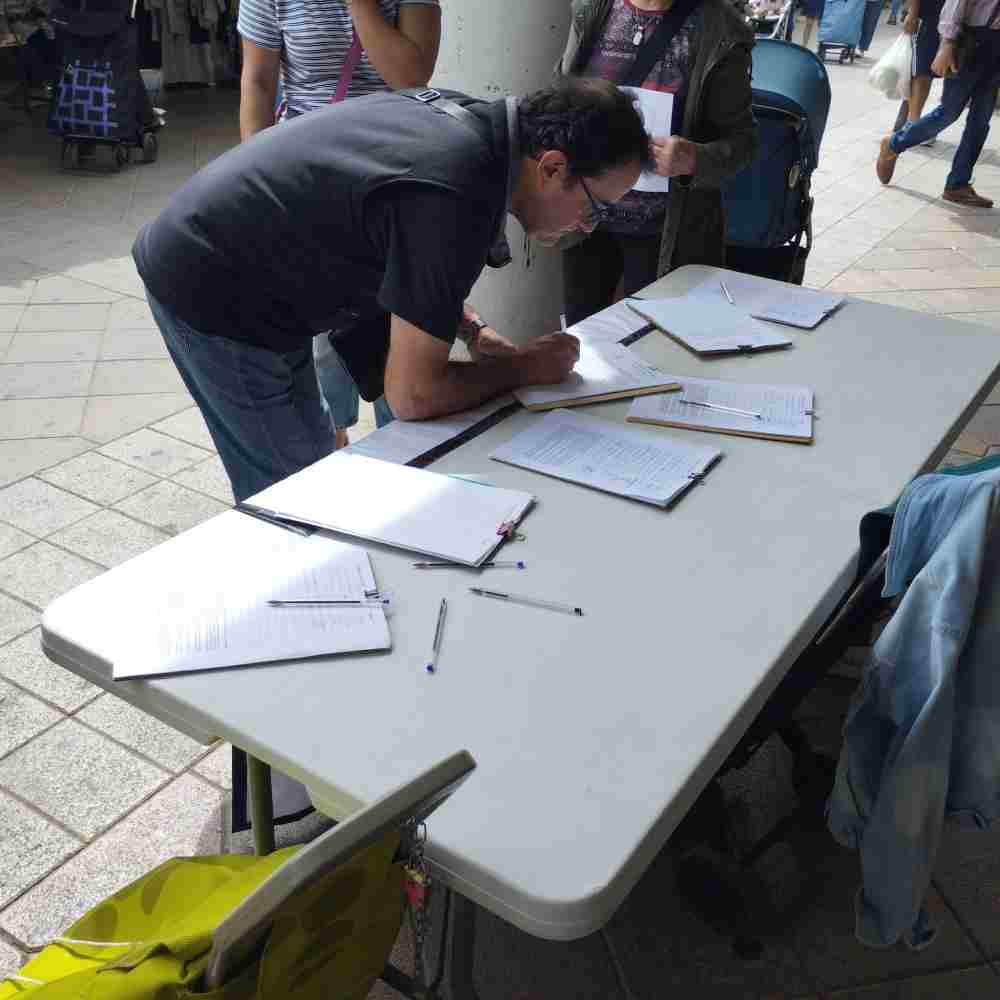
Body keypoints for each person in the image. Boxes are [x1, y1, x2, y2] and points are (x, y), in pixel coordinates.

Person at [238, 0, 442, 446]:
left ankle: (403, 447)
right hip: (309, 180)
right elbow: (258, 82)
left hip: (393, 179)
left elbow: (411, 78)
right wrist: (257, 180)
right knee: (323, 333)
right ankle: (333, 444)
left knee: (396, 322)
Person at [556, 0, 757, 326]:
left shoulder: (720, 30)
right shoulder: (592, 9)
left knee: (656, 342)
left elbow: (743, 142)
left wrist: (695, 158)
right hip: (587, 220)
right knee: (582, 337)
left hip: (667, 233)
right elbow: (561, 95)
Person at [876, 0, 1000, 206]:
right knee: (949, 112)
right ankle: (894, 144)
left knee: (980, 122)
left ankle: (957, 184)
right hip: (971, 42)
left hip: (995, 48)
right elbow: (955, 5)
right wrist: (947, 44)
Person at [891, 0, 946, 146]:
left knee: (925, 72)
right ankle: (912, 125)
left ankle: (908, 122)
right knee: (921, 72)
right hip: (929, 16)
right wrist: (912, 13)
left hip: (952, 18)